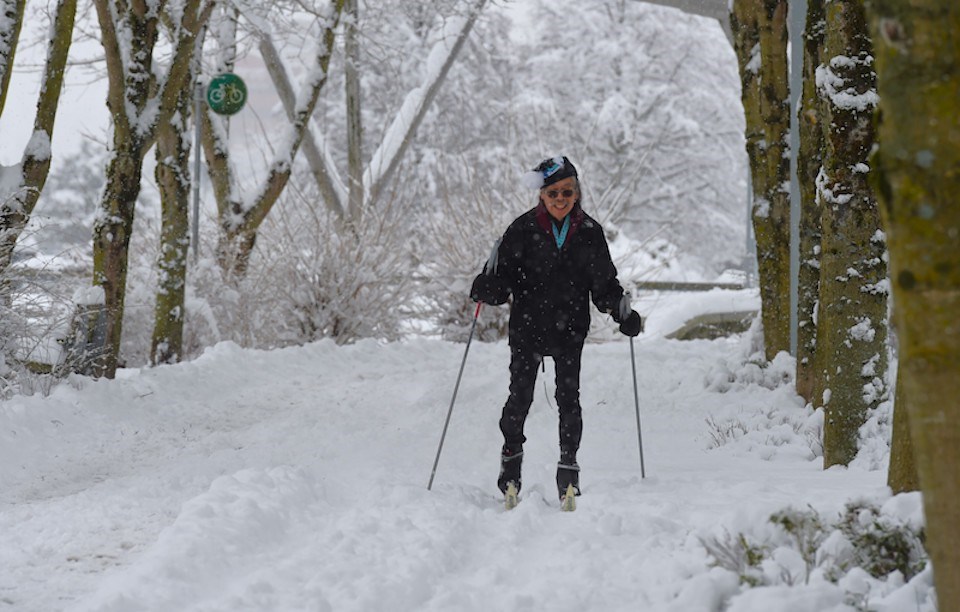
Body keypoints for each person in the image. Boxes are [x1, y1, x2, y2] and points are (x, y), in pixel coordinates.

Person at [470, 155, 643, 502]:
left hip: (570, 330)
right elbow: (501, 282)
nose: (561, 199)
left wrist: (621, 312)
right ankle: (511, 464)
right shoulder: (521, 230)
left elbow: (604, 284)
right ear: (541, 196)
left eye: (567, 191)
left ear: (576, 192)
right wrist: (486, 288)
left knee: (569, 400)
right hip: (528, 328)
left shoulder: (590, 234)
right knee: (520, 398)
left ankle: (569, 469)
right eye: (553, 193)